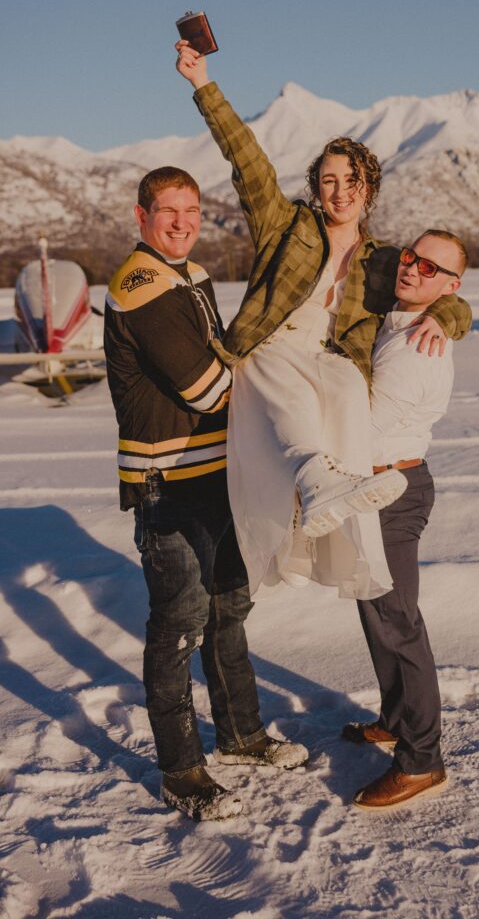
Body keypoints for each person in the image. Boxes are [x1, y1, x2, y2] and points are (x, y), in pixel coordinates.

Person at [175, 42, 473, 603]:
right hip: (271, 346)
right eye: (330, 179)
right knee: (284, 381)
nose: (340, 190)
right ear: (317, 186)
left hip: (329, 360)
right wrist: (203, 85)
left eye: (352, 180)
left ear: (369, 190)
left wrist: (452, 315)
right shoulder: (285, 225)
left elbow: (439, 285)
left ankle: (338, 512)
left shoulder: (386, 260)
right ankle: (314, 482)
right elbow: (247, 158)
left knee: (344, 388)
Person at [104, 166, 307, 823]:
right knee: (179, 627)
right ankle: (180, 771)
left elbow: (224, 367)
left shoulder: (187, 278)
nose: (182, 222)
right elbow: (211, 388)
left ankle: (242, 737)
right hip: (169, 487)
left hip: (216, 476)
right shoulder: (140, 287)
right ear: (141, 218)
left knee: (229, 611)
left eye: (191, 210)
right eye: (168, 211)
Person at [343, 230, 468, 810]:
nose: (412, 268)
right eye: (411, 257)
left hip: (392, 488)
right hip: (379, 486)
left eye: (430, 267)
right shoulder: (400, 320)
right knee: (377, 613)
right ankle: (397, 718)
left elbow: (361, 428)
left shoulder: (419, 346)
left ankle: (422, 760)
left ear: (450, 286)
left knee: (398, 622)